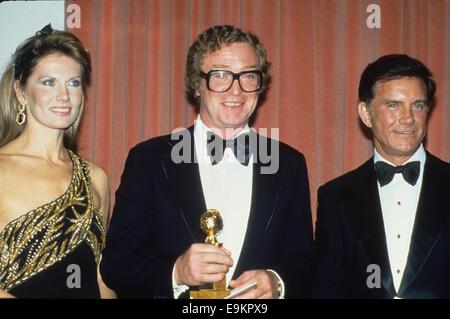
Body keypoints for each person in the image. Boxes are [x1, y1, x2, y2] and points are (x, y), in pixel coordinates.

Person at [101, 24, 314, 299]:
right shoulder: (149, 160)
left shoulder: (290, 164)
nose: (236, 91)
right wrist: (176, 271)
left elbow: (305, 260)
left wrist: (277, 281)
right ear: (196, 84)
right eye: (221, 75)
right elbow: (116, 263)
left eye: (248, 76)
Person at [314, 54, 450, 298]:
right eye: (394, 105)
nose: (408, 118)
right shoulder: (335, 196)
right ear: (366, 114)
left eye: (418, 105)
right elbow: (326, 288)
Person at [0, 25, 115, 298]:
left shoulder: (95, 177)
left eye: (73, 83)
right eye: (49, 82)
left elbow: (101, 277)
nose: (64, 96)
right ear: (20, 91)